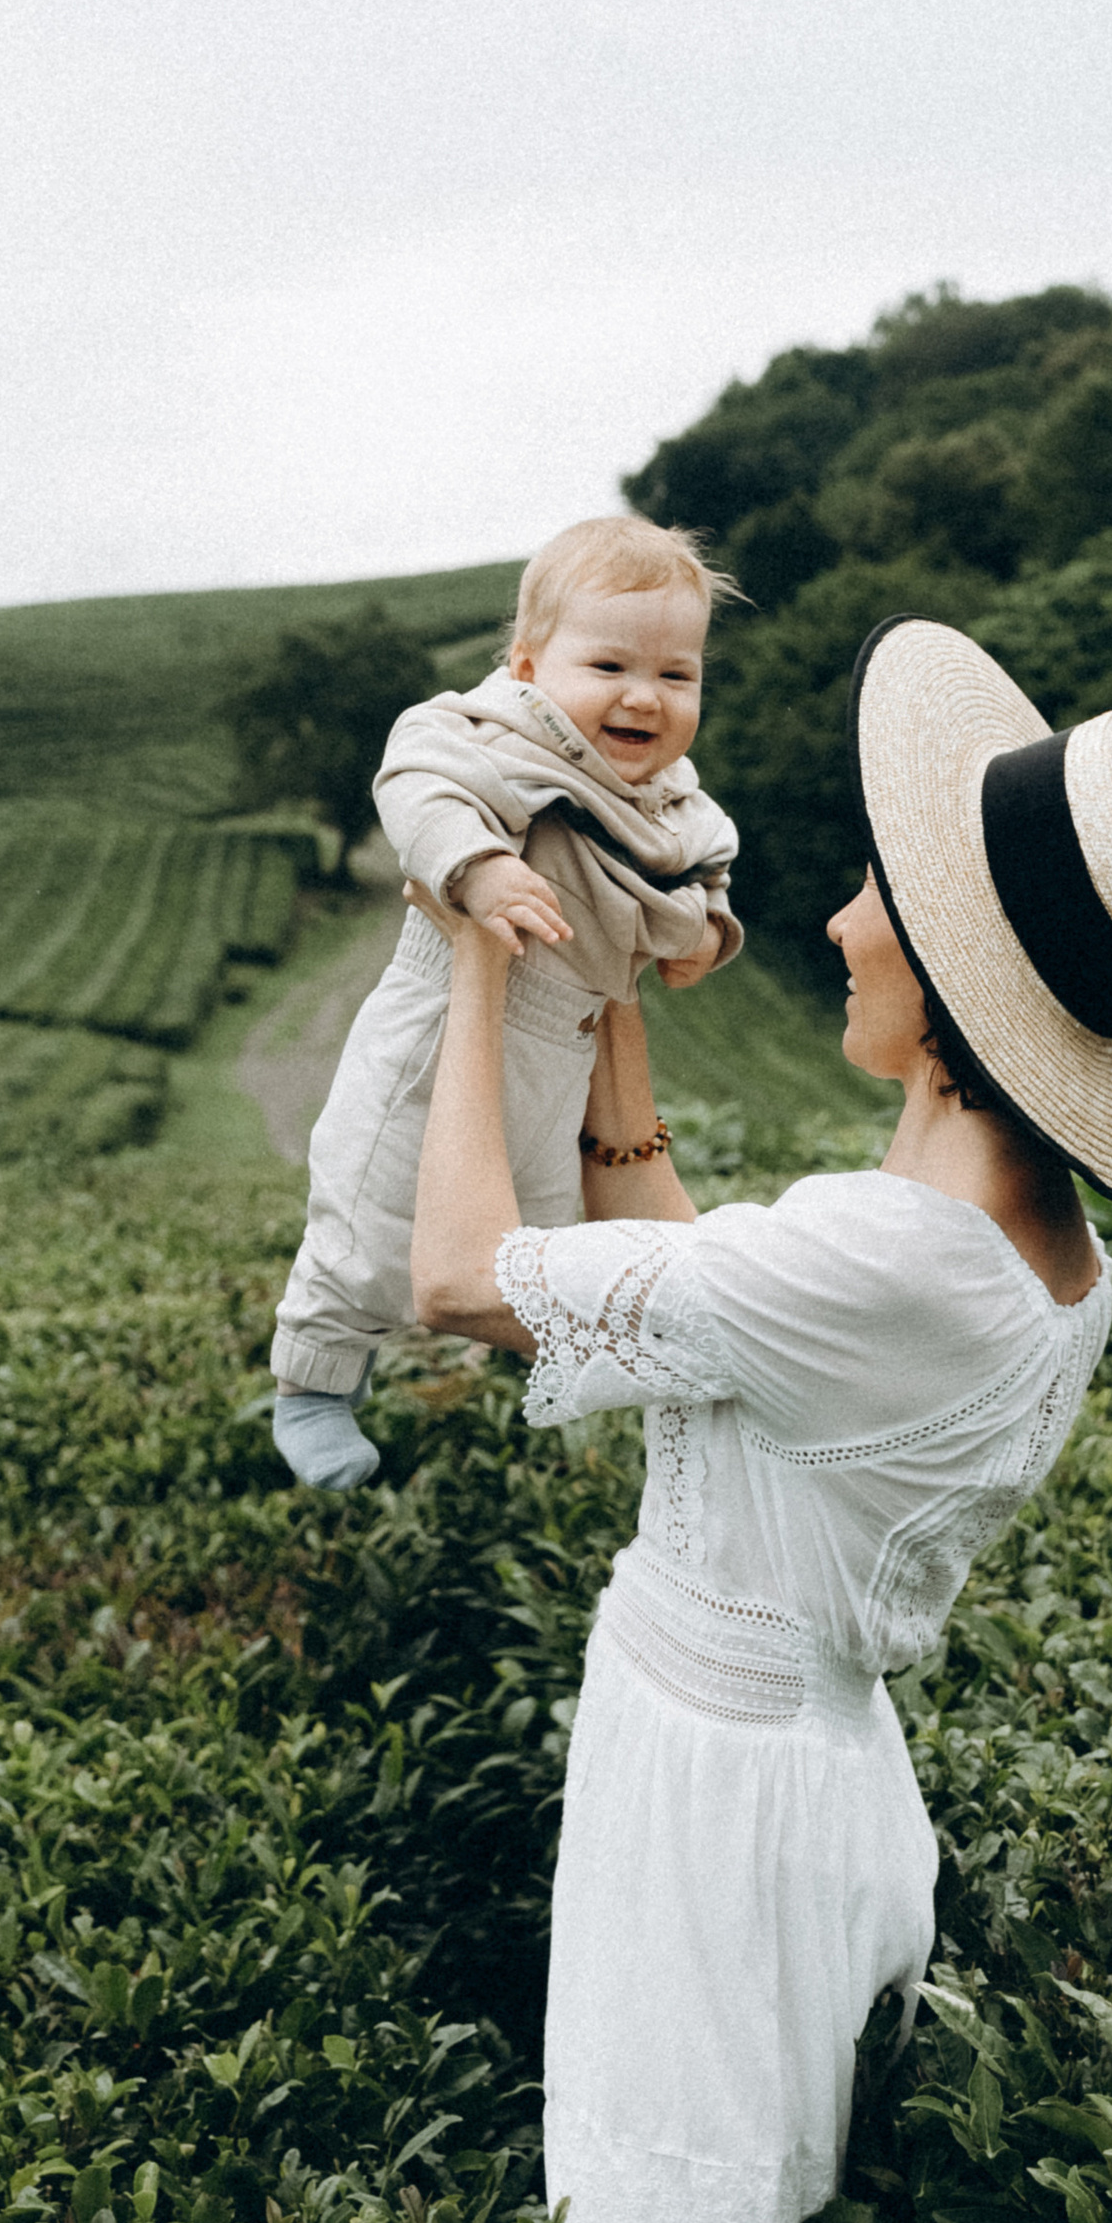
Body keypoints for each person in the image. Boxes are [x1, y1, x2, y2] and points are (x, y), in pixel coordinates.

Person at [405, 613, 1112, 2223]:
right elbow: (715, 1298)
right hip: (800, 1779)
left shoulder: (895, 1260)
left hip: (721, 1813)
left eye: (890, 899)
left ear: (956, 997)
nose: (849, 917)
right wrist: (607, 1002)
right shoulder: (1009, 1253)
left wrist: (467, 949)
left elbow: (454, 1280)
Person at [269, 515, 743, 1492]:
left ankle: (507, 1347)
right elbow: (416, 780)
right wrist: (478, 867)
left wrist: (706, 934)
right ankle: (313, 1378)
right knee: (371, 1216)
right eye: (608, 664)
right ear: (528, 668)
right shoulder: (493, 736)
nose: (643, 697)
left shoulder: (671, 798)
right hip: (442, 1025)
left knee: (532, 1219)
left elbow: (705, 863)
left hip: (562, 1050)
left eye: (676, 675)